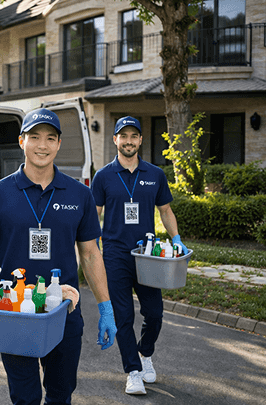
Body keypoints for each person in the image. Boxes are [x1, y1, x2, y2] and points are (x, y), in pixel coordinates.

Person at [0, 108, 117, 405]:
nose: (42, 145)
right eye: (34, 137)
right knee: (25, 398)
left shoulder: (79, 195)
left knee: (60, 395)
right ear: (22, 142)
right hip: (14, 310)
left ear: (58, 144)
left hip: (63, 311)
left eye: (50, 138)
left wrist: (106, 306)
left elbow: (91, 254)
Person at [90, 116, 187, 395]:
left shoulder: (155, 174)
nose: (129, 141)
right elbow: (94, 216)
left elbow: (165, 211)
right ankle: (132, 371)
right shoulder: (103, 176)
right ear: (115, 140)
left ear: (141, 140)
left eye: (134, 136)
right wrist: (91, 248)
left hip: (147, 255)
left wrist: (176, 239)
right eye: (124, 136)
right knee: (123, 316)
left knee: (154, 313)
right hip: (115, 254)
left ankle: (145, 354)